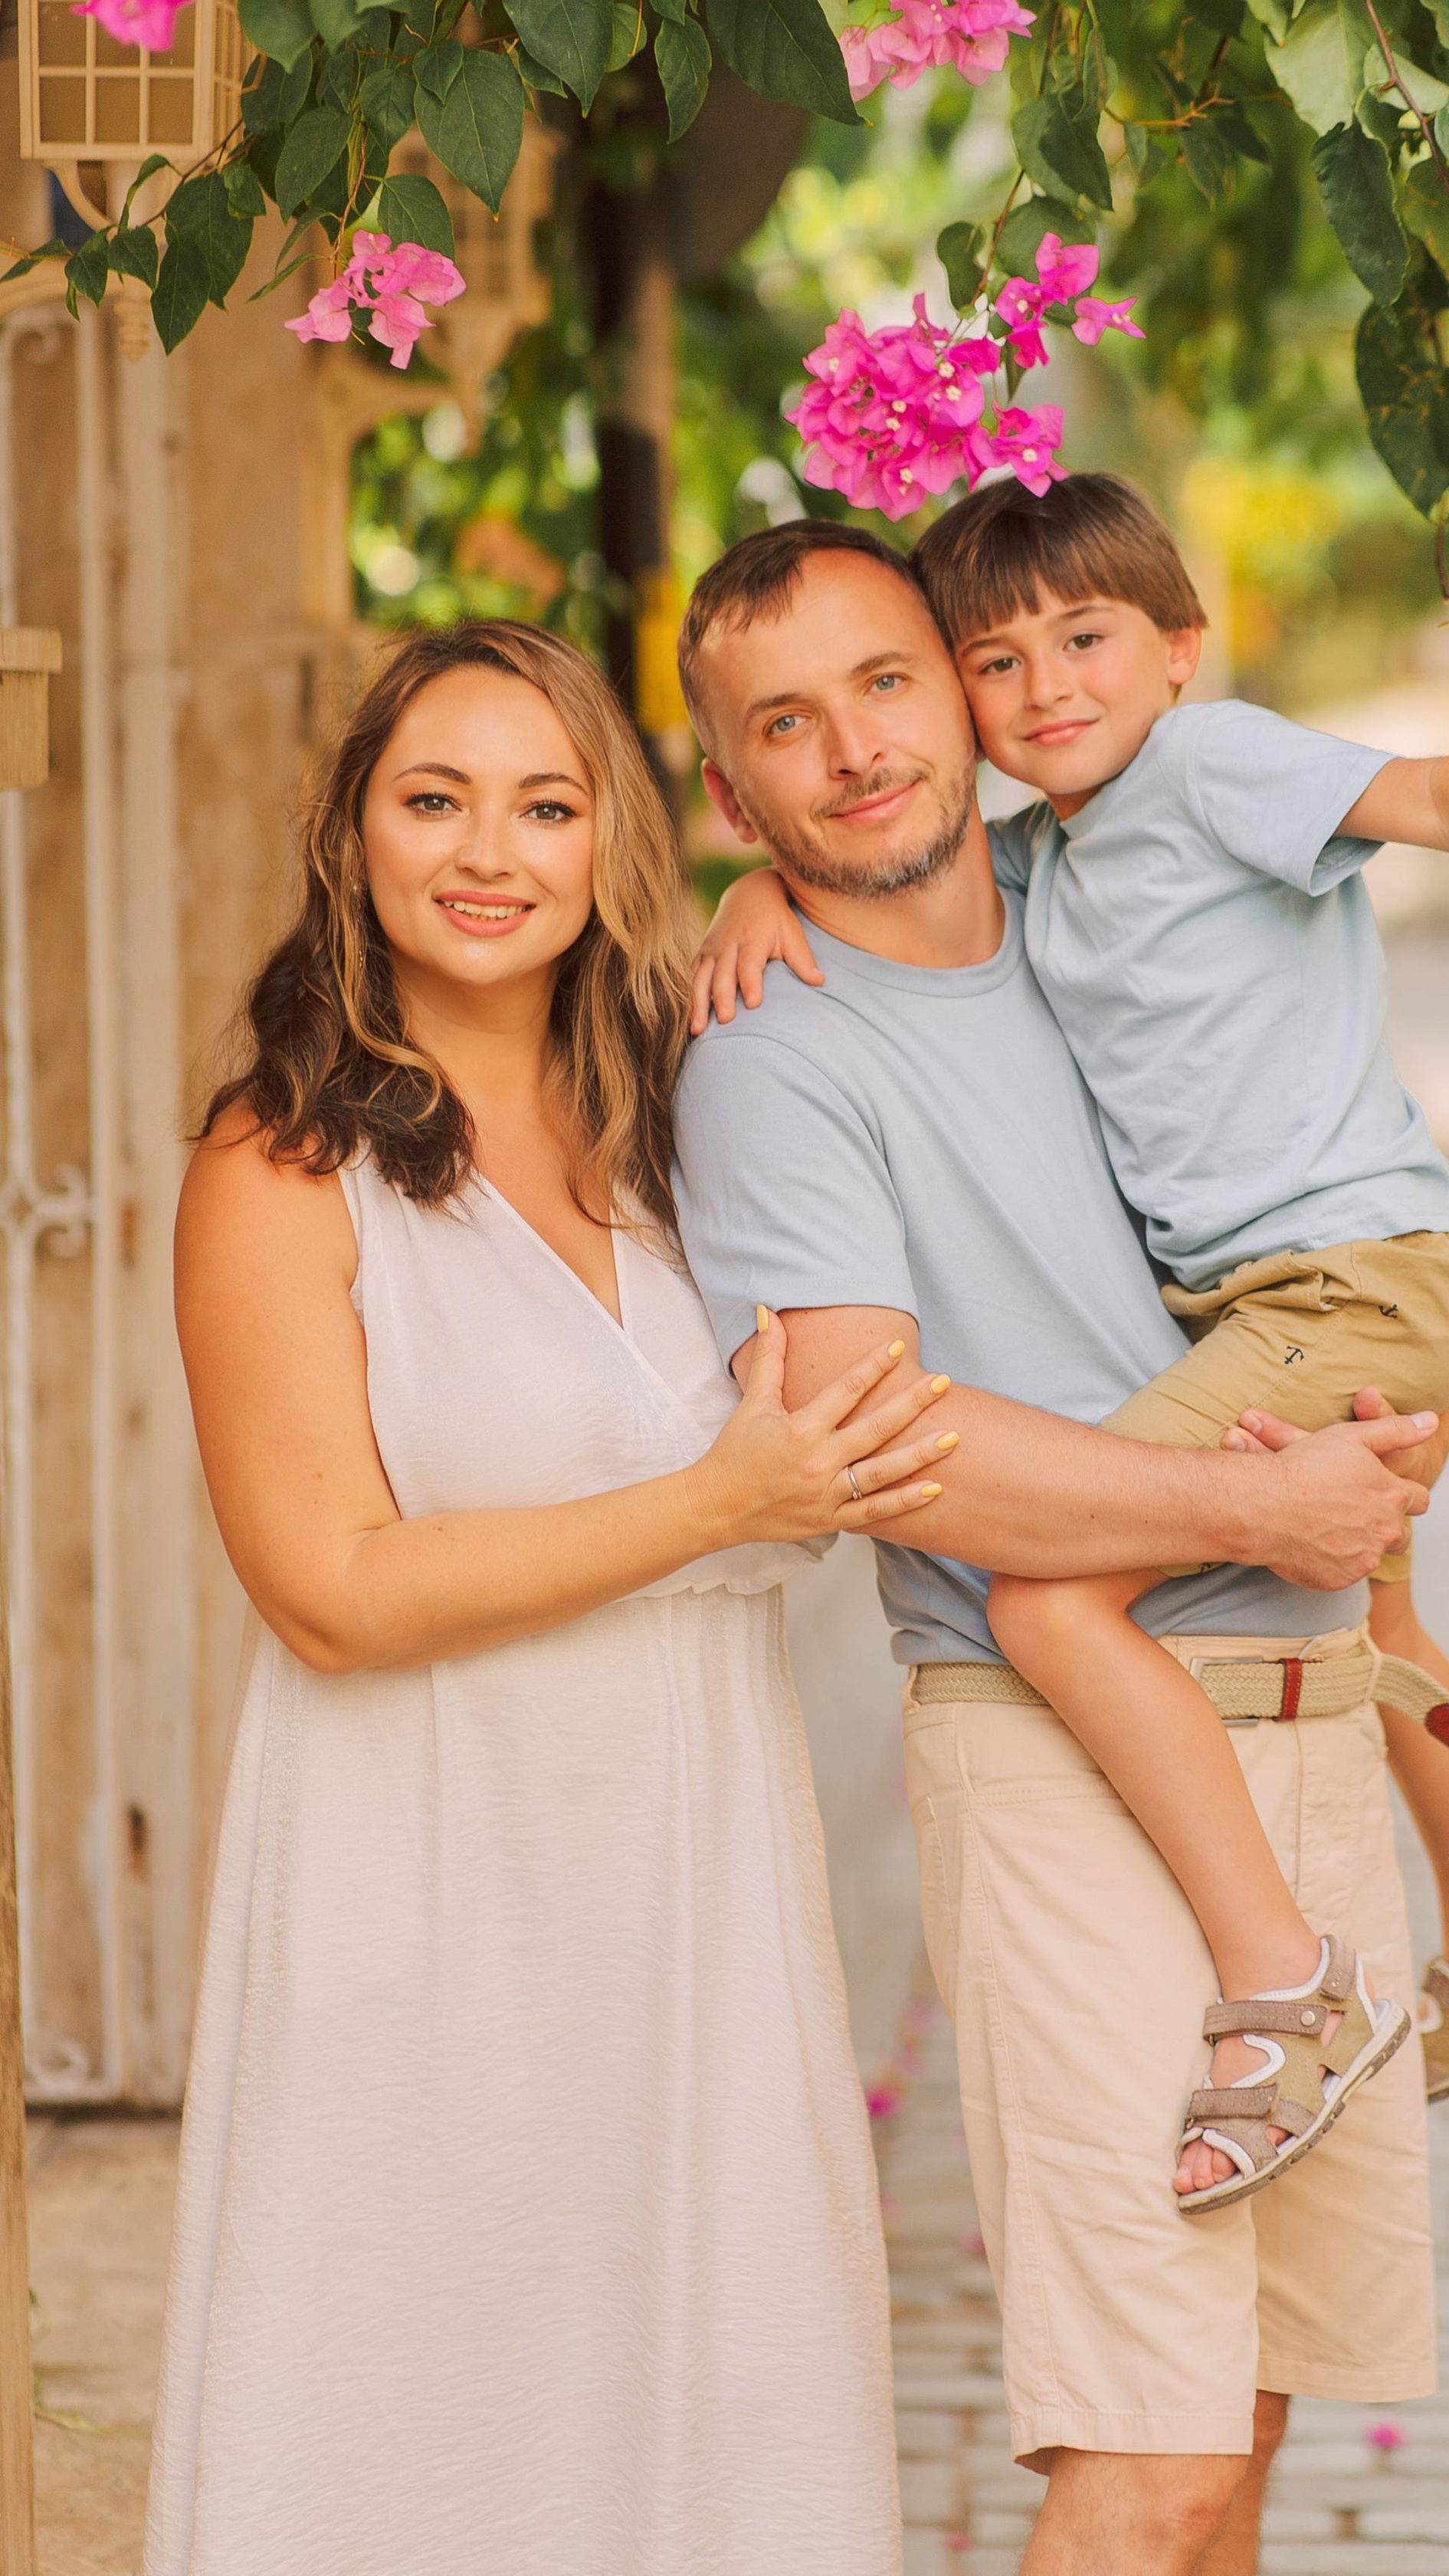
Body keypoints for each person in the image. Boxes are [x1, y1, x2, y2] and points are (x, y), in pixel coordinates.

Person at [693, 474, 1449, 2213]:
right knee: (1387, 1619)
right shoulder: (1039, 856)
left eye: (1087, 638)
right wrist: (760, 894)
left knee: (1046, 1596)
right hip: (1321, 1298)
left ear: (1178, 648)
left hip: (1350, 1282)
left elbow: (1428, 793)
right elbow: (882, 862)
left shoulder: (1206, 774)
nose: (1044, 686)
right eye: (994, 658)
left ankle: (1282, 1979)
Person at [144, 620, 956, 2576]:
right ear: (351, 835)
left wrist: (779, 879)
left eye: (544, 803)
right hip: (424, 1873)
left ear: (611, 841)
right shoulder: (281, 1167)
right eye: (434, 801)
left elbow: (972, 968)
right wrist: (711, 1503)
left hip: (692, 1866)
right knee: (419, 2408)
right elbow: (328, 1589)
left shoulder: (696, 1109)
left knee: (710, 2399)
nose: (486, 851)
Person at [671, 521, 1444, 2576]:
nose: (850, 755)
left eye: (885, 685)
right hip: (1058, 1746)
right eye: (782, 730)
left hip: (1295, 1706)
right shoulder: (773, 1051)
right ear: (732, 787)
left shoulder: (1097, 901)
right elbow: (879, 1454)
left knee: (1245, 2434)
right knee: (1145, 2454)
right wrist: (1257, 1505)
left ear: (965, 686)